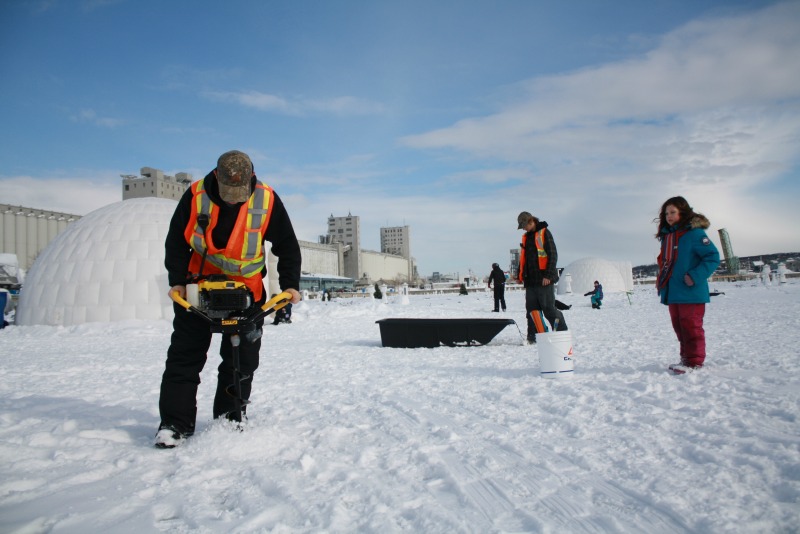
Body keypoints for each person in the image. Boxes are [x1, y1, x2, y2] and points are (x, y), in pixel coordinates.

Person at [156, 150, 302, 448]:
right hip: (198, 290)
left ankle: (230, 417)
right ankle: (174, 424)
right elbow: (175, 241)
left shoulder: (266, 199)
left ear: (250, 180)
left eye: (240, 193)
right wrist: (178, 281)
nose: (234, 199)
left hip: (246, 292)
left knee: (241, 359)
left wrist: (290, 286)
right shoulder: (196, 195)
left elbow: (287, 244)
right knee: (184, 358)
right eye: (228, 193)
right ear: (216, 179)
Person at [655, 196, 720, 374]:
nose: (669, 216)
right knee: (679, 326)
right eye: (666, 213)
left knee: (691, 326)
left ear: (683, 212)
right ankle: (686, 358)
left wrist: (695, 275)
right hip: (674, 290)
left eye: (673, 212)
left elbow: (713, 257)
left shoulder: (694, 234)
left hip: (690, 290)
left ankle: (694, 362)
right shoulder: (669, 237)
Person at [516, 211, 567, 343]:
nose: (523, 228)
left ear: (531, 221)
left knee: (549, 310)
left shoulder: (544, 233)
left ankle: (562, 333)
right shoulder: (526, 238)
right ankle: (533, 337)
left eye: (524, 225)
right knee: (532, 312)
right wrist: (519, 274)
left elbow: (552, 254)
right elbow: (524, 259)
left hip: (544, 280)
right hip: (530, 282)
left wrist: (549, 275)